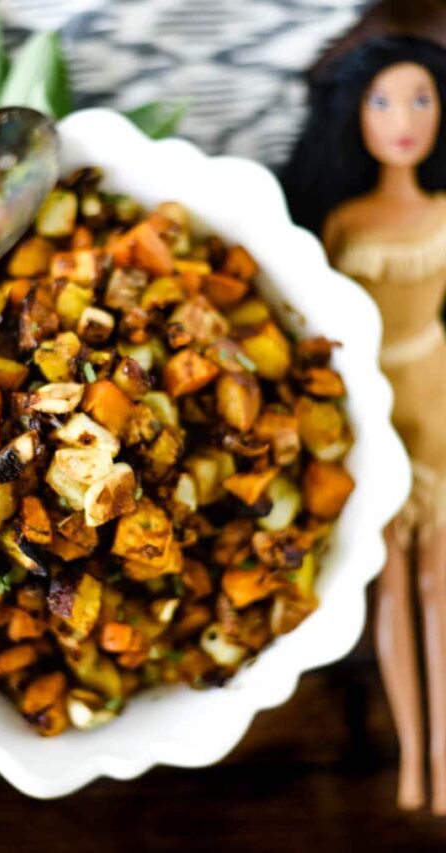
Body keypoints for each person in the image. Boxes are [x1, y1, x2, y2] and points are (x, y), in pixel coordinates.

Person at [281, 0, 446, 814]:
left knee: (436, 586)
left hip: (434, 386)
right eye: (383, 101)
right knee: (391, 582)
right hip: (369, 399)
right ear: (355, 116)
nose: (403, 119)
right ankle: (414, 758)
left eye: (420, 99)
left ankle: (441, 754)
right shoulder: (342, 218)